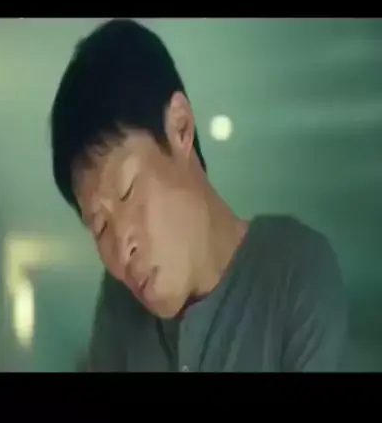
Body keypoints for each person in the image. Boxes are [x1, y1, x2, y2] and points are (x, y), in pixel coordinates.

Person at [50, 19, 347, 372]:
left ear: (180, 127)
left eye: (126, 190)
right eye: (99, 226)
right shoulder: (118, 308)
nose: (121, 248)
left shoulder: (293, 271)